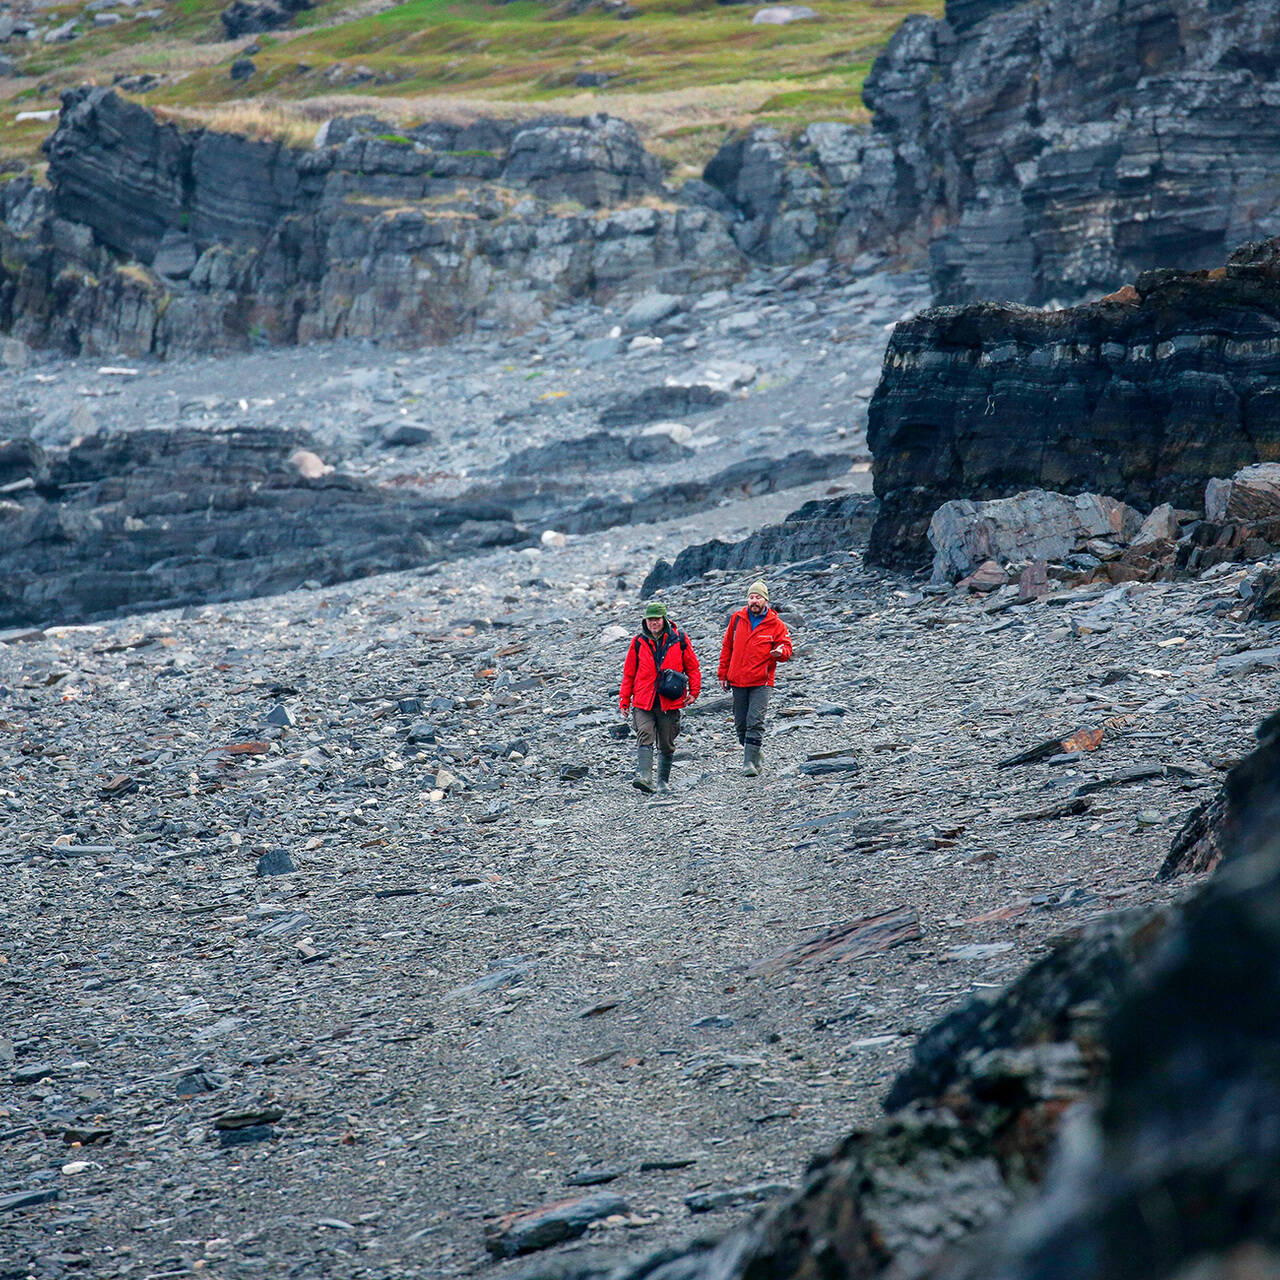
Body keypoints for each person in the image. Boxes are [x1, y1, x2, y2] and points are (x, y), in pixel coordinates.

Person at [619, 601, 701, 793]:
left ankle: (662, 782)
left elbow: (693, 667)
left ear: (664, 619)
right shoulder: (638, 642)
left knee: (666, 742)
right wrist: (624, 700)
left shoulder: (679, 639)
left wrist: (694, 692)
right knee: (645, 734)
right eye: (650, 620)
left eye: (656, 619)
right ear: (645, 621)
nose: (653, 623)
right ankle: (645, 777)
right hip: (643, 700)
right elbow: (628, 673)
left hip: (669, 700)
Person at [717, 579, 792, 777]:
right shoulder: (737, 619)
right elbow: (727, 647)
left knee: (755, 720)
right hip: (738, 679)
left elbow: (787, 648)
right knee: (741, 724)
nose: (754, 601)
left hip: (762, 681)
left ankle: (749, 763)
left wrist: (779, 652)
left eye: (758, 597)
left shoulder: (776, 623)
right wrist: (722, 674)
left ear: (765, 600)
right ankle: (755, 751)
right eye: (751, 597)